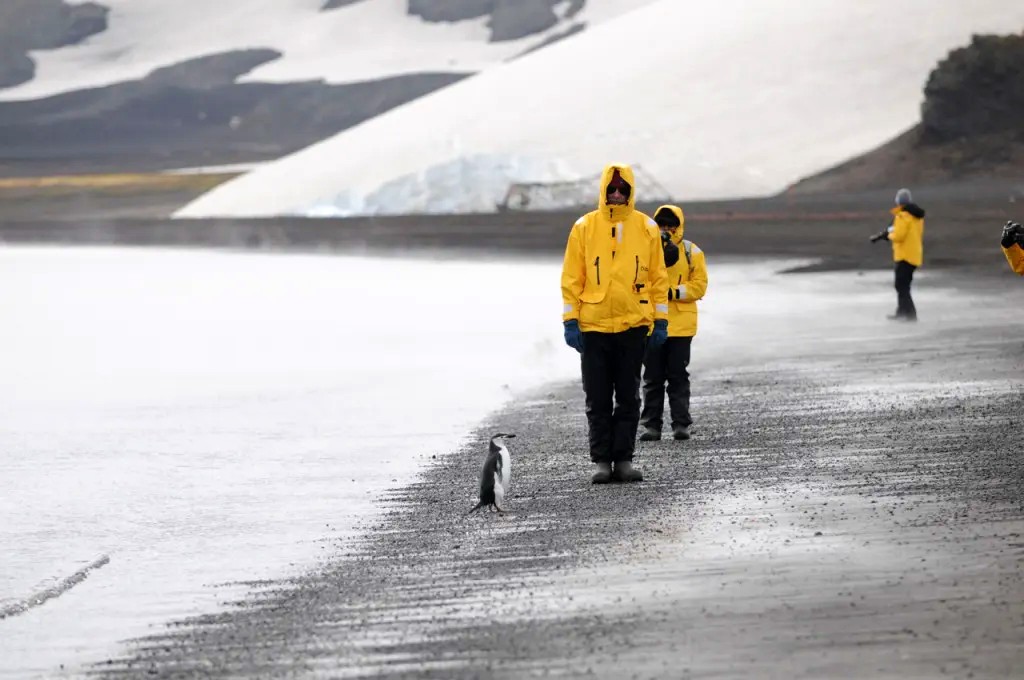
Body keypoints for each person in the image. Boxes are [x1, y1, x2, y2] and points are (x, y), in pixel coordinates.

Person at [561, 164, 669, 484]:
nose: (617, 194)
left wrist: (660, 321)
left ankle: (623, 459)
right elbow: (571, 278)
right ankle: (601, 462)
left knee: (628, 396)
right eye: (612, 189)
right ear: (604, 191)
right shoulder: (584, 227)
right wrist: (570, 320)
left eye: (623, 189)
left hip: (633, 323)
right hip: (593, 326)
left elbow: (657, 278)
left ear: (631, 192)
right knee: (596, 397)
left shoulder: (646, 228)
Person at [639, 205, 708, 442]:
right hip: (651, 323)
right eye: (662, 225)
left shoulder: (691, 251)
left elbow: (699, 286)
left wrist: (672, 292)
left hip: (681, 326)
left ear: (678, 226)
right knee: (652, 377)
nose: (666, 229)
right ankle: (651, 426)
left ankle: (681, 424)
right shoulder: (646, 250)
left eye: (671, 225)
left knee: (678, 376)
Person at [870, 188, 924, 321]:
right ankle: (902, 311)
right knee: (903, 285)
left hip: (904, 255)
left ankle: (909, 313)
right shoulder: (916, 217)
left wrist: (888, 236)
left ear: (898, 201)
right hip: (913, 254)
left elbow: (899, 235)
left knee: (901, 285)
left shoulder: (902, 216)